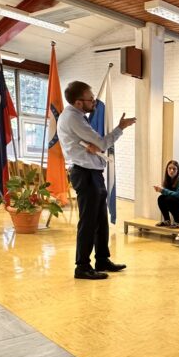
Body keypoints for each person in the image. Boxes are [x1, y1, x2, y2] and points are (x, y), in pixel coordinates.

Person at [56, 80, 135, 280]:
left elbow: (96, 145)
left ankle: (102, 259)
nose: (94, 102)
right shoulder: (73, 118)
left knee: (100, 220)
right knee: (89, 222)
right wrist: (120, 128)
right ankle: (82, 266)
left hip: (92, 173)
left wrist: (96, 145)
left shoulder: (77, 116)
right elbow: (101, 143)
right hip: (85, 173)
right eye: (90, 99)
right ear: (78, 102)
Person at [153, 159, 179, 227]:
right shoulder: (168, 178)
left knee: (169, 199)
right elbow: (167, 193)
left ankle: (178, 222)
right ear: (167, 169)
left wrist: (163, 190)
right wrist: (161, 190)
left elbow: (178, 195)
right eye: (169, 168)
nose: (171, 171)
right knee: (161, 198)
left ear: (178, 170)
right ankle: (167, 220)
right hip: (175, 202)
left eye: (174, 169)